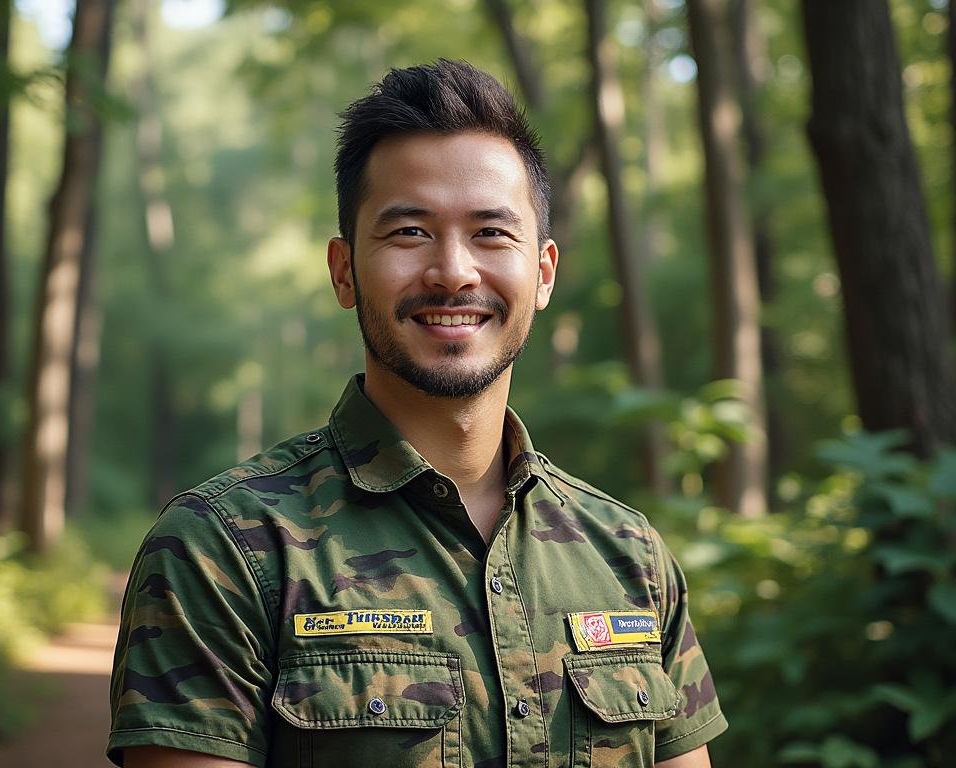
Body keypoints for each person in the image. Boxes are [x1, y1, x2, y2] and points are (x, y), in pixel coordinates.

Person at [108, 59, 727, 768]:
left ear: (543, 273)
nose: (453, 271)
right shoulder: (222, 550)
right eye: (408, 232)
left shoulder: (630, 555)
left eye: (492, 233)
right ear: (344, 270)